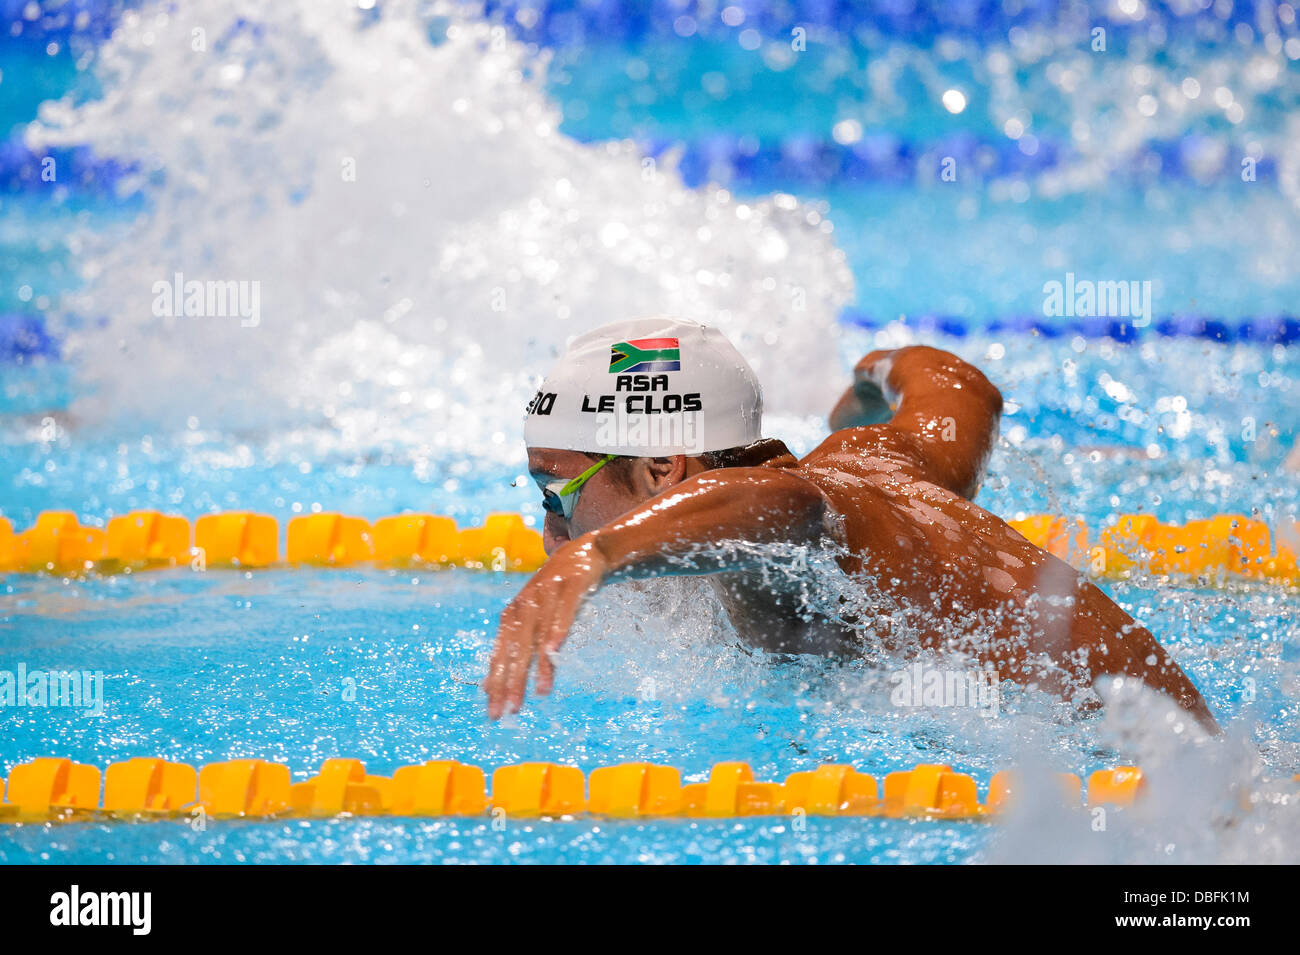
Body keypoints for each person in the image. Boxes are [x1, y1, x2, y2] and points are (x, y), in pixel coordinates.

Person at [484, 317, 1217, 731]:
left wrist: (601, 552)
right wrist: (873, 374)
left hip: (1144, 791)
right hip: (1184, 750)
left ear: (660, 472)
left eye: (558, 494)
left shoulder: (782, 531)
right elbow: (960, 387)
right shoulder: (873, 455)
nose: (550, 531)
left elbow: (778, 510)